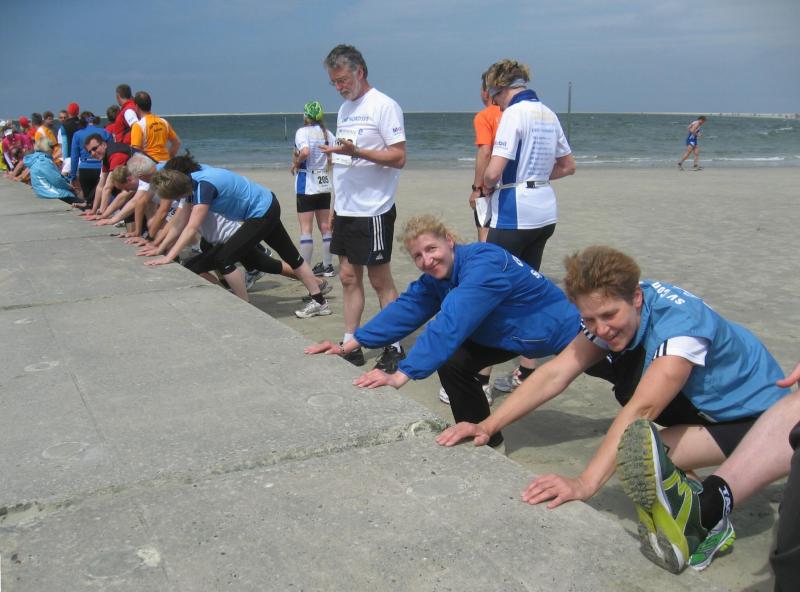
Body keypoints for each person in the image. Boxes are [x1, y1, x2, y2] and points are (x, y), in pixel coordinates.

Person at [437, 245, 792, 573]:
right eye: (589, 320)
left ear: (636, 297)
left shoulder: (680, 328)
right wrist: (487, 425)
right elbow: (555, 373)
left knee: (638, 451)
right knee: (642, 438)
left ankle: (711, 522)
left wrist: (584, 484)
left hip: (765, 424)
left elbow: (642, 409)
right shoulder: (610, 311)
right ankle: (693, 496)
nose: (601, 329)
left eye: (608, 316)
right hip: (708, 413)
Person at [305, 215, 582, 451]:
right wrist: (349, 345)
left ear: (449, 240)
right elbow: (406, 309)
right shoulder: (439, 277)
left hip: (566, 331)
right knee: (454, 361)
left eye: (431, 248)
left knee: (611, 373)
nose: (427, 260)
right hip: (511, 335)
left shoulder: (483, 264)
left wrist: (401, 374)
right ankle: (486, 442)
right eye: (418, 256)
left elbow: (451, 322)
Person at [481, 58, 576, 394]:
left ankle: (480, 379)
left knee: (488, 289)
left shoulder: (513, 114)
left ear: (500, 88)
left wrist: (485, 186)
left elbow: (494, 171)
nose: (494, 103)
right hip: (544, 210)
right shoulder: (548, 113)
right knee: (528, 290)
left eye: (494, 96)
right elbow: (568, 165)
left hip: (515, 212)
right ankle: (526, 370)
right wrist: (535, 176)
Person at [145, 157, 330, 317]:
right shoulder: (191, 183)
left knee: (224, 259)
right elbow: (179, 224)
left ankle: (244, 305)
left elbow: (190, 227)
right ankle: (319, 301)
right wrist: (159, 250)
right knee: (290, 256)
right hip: (267, 204)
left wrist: (168, 257)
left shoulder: (203, 187)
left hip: (261, 212)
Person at [319, 44, 407, 372]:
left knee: (379, 279)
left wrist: (358, 152)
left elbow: (399, 157)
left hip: (374, 209)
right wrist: (334, 205)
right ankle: (350, 343)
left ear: (360, 72)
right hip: (346, 209)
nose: (339, 87)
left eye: (343, 80)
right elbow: (343, 162)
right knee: (346, 277)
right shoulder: (344, 110)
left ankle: (394, 346)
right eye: (334, 83)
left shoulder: (384, 106)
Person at [291, 100, 336, 278]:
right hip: (323, 182)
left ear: (306, 116)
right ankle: (327, 265)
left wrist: (296, 163)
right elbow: (333, 155)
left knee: (306, 229)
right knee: (325, 227)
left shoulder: (302, 132)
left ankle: (305, 270)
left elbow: (305, 152)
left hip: (307, 182)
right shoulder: (328, 133)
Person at [469, 70, 502, 243]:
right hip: (512, 184)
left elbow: (485, 152)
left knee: (485, 233)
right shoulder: (512, 113)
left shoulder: (484, 116)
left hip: (490, 184)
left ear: (486, 92)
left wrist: (477, 189)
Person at [69, 112, 112, 209]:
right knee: (102, 199)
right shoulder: (105, 132)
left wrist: (73, 176)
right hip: (102, 169)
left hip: (85, 169)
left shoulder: (77, 134)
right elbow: (111, 152)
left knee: (89, 202)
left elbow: (74, 157)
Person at [130, 91, 181, 163]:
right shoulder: (163, 122)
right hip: (166, 163)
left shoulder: (138, 126)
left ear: (137, 107)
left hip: (150, 165)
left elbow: (135, 152)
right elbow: (177, 143)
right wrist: (170, 156)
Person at [24, 137, 79, 203]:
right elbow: (56, 180)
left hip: (42, 192)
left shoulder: (36, 159)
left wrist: (67, 181)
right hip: (50, 193)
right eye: (52, 147)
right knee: (78, 200)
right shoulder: (43, 161)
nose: (54, 149)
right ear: (47, 147)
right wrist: (69, 186)